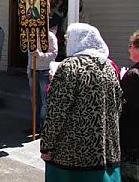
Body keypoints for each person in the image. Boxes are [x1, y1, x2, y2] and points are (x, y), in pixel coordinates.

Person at [40, 23, 122, 181]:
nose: (65, 42)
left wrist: (46, 145)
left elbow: (57, 112)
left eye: (67, 38)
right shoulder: (109, 67)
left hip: (71, 155)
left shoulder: (69, 67)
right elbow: (117, 107)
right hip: (104, 153)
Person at [27, 27, 58, 133]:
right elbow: (29, 55)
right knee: (34, 100)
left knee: (45, 101)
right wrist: (28, 69)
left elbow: (54, 53)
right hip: (33, 71)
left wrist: (41, 55)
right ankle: (35, 125)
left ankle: (43, 126)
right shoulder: (32, 37)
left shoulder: (50, 36)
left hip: (44, 71)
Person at [119, 30, 139, 182]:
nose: (129, 49)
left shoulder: (133, 74)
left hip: (131, 137)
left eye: (131, 46)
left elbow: (124, 106)